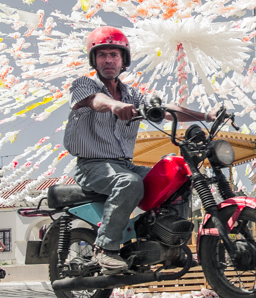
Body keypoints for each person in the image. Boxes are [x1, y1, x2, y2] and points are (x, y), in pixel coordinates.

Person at [64, 26, 215, 274]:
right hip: (91, 165)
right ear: (94, 60)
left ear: (124, 60)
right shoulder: (83, 85)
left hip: (123, 163)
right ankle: (105, 248)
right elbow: (95, 101)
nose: (108, 60)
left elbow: (166, 109)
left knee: (176, 178)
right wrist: (114, 105)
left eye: (114, 54)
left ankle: (169, 243)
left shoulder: (132, 94)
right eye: (102, 54)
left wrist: (206, 115)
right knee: (129, 182)